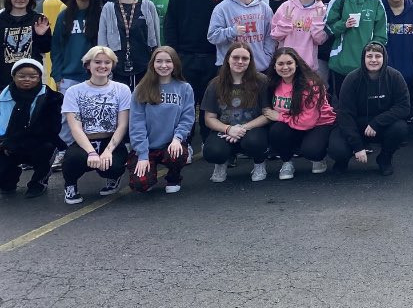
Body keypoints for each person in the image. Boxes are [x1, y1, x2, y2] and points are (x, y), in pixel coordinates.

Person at [0, 59, 63, 198]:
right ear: (13, 76)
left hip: (35, 144)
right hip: (4, 145)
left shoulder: (51, 98)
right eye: (21, 76)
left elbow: (52, 129)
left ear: (39, 77)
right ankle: (9, 180)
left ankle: (39, 182)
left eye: (33, 76)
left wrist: (15, 142)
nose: (27, 79)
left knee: (47, 147)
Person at [163, 0, 228, 138]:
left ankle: (209, 141)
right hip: (186, 57)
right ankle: (186, 142)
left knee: (212, 103)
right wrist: (176, 55)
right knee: (187, 103)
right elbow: (170, 24)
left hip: (213, 58)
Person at [60, 46, 133, 205]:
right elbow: (75, 127)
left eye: (107, 62)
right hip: (85, 140)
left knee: (113, 164)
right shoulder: (74, 91)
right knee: (73, 159)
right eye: (97, 62)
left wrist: (107, 151)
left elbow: (122, 125)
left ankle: (113, 178)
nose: (102, 66)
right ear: (88, 65)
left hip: (110, 140)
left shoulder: (122, 90)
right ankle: (71, 185)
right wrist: (92, 153)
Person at [326, 41, 411, 177]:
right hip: (355, 124)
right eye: (369, 56)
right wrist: (357, 146)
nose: (373, 60)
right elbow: (345, 114)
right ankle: (342, 161)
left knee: (400, 128)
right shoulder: (352, 78)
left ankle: (385, 159)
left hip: (380, 125)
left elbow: (404, 107)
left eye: (377, 56)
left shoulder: (395, 77)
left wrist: (377, 122)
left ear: (384, 58)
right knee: (337, 149)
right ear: (363, 58)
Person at [128, 46, 195, 195]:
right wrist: (142, 155)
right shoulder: (141, 89)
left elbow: (187, 117)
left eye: (168, 61)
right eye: (159, 61)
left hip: (170, 145)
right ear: (152, 64)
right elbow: (136, 123)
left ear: (175, 64)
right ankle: (150, 175)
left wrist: (178, 139)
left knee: (177, 154)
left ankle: (174, 177)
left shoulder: (184, 88)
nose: (163, 65)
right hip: (147, 147)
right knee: (141, 184)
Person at [201, 42, 271, 182]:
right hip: (225, 130)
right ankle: (221, 163)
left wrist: (242, 128)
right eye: (236, 57)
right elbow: (209, 118)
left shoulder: (261, 81)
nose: (240, 61)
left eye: (245, 58)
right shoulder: (215, 84)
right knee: (212, 152)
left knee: (254, 142)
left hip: (252, 129)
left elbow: (267, 114)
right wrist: (228, 129)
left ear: (250, 61)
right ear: (228, 58)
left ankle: (259, 163)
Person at [263, 47, 336, 179]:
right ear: (274, 66)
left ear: (296, 64)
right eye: (280, 64)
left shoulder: (311, 84)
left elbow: (307, 121)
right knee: (276, 131)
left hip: (319, 123)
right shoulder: (273, 84)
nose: (285, 67)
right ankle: (287, 162)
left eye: (289, 63)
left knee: (311, 151)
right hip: (293, 122)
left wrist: (280, 116)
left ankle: (318, 157)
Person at [325, 0, 389, 99]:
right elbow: (327, 27)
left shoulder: (376, 1)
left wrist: (372, 54)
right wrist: (344, 24)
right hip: (342, 63)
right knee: (343, 100)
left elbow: (381, 33)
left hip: (367, 65)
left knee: (365, 101)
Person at [0, 0, 51, 95]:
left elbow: (46, 48)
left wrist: (40, 35)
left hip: (31, 77)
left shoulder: (38, 19)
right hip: (3, 78)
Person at [98, 0, 161, 89]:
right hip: (117, 64)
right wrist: (104, 62)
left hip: (143, 63)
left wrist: (157, 58)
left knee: (142, 99)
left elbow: (156, 37)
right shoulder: (109, 8)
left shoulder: (147, 6)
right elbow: (102, 38)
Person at [208, 0, 275, 72]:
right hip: (231, 69)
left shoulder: (264, 7)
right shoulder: (222, 8)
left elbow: (270, 35)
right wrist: (232, 31)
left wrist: (267, 56)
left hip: (259, 68)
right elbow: (212, 36)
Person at [50, 0, 102, 93]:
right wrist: (57, 75)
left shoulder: (100, 15)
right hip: (68, 78)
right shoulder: (64, 16)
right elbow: (56, 47)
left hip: (95, 76)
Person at [271, 0, 329, 71]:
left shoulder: (321, 10)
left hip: (308, 65)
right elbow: (275, 35)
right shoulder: (286, 7)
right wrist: (286, 21)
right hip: (286, 63)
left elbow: (320, 40)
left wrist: (317, 22)